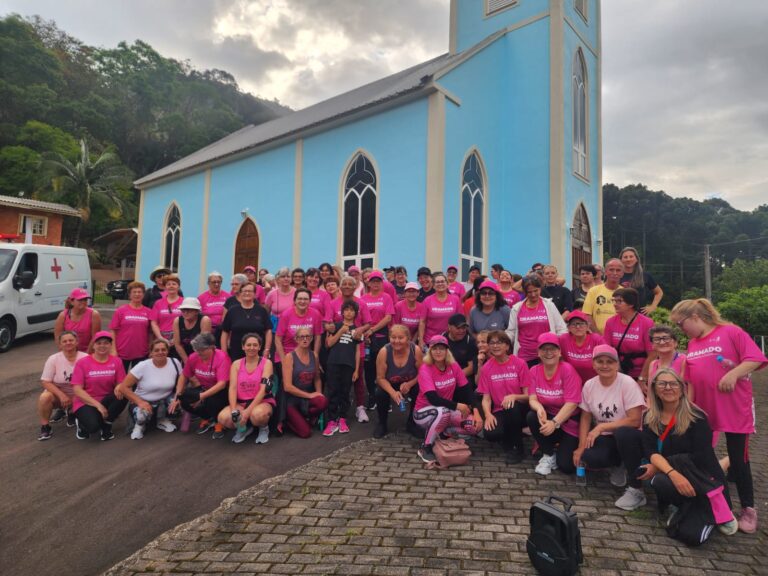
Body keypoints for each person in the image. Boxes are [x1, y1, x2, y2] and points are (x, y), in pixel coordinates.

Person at [670, 298, 767, 533]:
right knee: (703, 454)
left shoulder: (731, 331)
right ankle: (714, 499)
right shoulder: (693, 343)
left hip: (735, 408)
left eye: (681, 324)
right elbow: (691, 378)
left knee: (740, 458)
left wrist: (733, 374)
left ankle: (748, 509)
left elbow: (756, 359)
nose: (680, 330)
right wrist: (688, 406)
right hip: (704, 409)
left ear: (695, 317)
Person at [640, 368, 738, 541]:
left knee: (692, 536)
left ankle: (710, 508)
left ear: (682, 387)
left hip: (700, 473)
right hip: (674, 471)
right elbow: (651, 451)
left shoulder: (697, 417)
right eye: (662, 383)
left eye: (673, 383)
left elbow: (700, 456)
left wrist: (659, 466)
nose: (668, 387)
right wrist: (673, 473)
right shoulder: (649, 417)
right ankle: (686, 505)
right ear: (654, 388)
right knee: (657, 481)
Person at [573, 345, 646, 511]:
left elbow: (635, 420)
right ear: (593, 364)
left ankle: (637, 489)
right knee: (589, 456)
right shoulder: (589, 385)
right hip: (607, 435)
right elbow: (585, 417)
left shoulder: (627, 383)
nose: (604, 365)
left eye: (609, 362)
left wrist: (602, 426)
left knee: (623, 434)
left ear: (617, 364)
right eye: (600, 361)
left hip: (632, 435)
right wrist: (580, 446)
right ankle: (618, 464)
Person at [412, 335, 474, 463]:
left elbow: (466, 388)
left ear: (447, 351)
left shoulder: (454, 365)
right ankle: (426, 446)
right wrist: (458, 406)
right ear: (430, 351)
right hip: (423, 413)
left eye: (442, 348)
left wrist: (475, 411)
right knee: (443, 411)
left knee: (473, 426)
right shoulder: (425, 369)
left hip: (446, 410)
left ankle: (445, 433)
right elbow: (434, 399)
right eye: (435, 349)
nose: (438, 352)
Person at [527, 333, 582, 475]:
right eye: (544, 349)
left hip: (569, 421)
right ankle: (548, 454)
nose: (548, 353)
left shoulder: (567, 370)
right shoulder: (534, 370)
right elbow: (532, 398)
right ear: (538, 353)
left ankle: (562, 449)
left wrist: (554, 422)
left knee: (567, 466)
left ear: (559, 352)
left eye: (552, 349)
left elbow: (572, 403)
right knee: (532, 416)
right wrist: (539, 408)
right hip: (549, 416)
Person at [478, 331, 531, 464]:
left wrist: (514, 396)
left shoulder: (520, 363)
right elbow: (486, 398)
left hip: (520, 408)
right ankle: (515, 433)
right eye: (492, 343)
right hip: (500, 410)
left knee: (510, 406)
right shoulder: (486, 368)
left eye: (499, 342)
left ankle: (518, 448)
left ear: (507, 346)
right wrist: (488, 414)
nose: (495, 346)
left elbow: (529, 396)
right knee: (491, 434)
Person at [116, 339, 181, 440]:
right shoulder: (142, 366)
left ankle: (162, 420)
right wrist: (140, 402)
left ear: (168, 351)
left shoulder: (175, 362)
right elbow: (123, 387)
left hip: (164, 399)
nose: (160, 352)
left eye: (163, 349)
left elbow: (182, 380)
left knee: (178, 403)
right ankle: (139, 425)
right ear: (151, 353)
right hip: (144, 399)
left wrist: (178, 397)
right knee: (142, 415)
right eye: (156, 350)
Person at [170, 333, 231, 439]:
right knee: (183, 398)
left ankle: (219, 421)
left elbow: (222, 384)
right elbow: (184, 376)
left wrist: (201, 397)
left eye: (202, 350)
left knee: (212, 400)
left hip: (223, 391)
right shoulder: (193, 357)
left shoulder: (222, 357)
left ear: (212, 347)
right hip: (204, 388)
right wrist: (177, 396)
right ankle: (207, 417)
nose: (199, 352)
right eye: (197, 349)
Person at [217, 333, 274, 445]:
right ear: (243, 347)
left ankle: (263, 428)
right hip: (241, 402)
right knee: (223, 418)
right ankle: (243, 428)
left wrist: (247, 412)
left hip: (262, 401)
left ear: (259, 347)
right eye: (248, 345)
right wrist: (234, 411)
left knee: (257, 415)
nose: (251, 348)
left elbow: (264, 390)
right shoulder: (236, 364)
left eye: (255, 345)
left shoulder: (267, 363)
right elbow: (232, 388)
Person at [71, 331, 127, 441]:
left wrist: (119, 386)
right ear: (93, 345)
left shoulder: (117, 361)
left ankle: (107, 423)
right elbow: (77, 389)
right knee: (93, 428)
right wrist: (98, 406)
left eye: (106, 343)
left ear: (111, 345)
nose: (102, 346)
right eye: (99, 343)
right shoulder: (82, 362)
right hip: (85, 401)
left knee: (124, 393)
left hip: (106, 399)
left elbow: (122, 382)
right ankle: (81, 423)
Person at [330, 276, 372, 423]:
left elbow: (368, 323)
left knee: (358, 378)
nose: (347, 286)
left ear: (355, 287)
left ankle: (360, 407)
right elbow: (328, 323)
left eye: (350, 284)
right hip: (338, 348)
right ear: (340, 287)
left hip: (356, 348)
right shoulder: (333, 303)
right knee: (338, 382)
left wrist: (360, 329)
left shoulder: (361, 303)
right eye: (344, 284)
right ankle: (336, 411)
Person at [373, 324, 423, 438]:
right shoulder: (384, 352)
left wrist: (410, 384)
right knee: (379, 392)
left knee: (420, 389)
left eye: (401, 338)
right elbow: (380, 378)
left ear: (408, 339)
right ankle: (382, 423)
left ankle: (412, 423)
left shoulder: (415, 350)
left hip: (410, 382)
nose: (396, 341)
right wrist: (393, 393)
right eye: (393, 337)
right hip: (389, 382)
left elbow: (422, 374)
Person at [506, 275, 567, 367]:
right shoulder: (517, 308)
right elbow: (511, 331)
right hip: (524, 356)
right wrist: (500, 341)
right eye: (529, 292)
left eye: (535, 291)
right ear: (524, 292)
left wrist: (555, 346)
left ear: (540, 289)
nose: (533, 294)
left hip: (547, 355)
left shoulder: (549, 305)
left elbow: (561, 328)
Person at [37, 331, 87, 440]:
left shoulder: (85, 357)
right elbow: (45, 381)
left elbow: (91, 381)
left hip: (80, 394)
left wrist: (77, 397)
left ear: (77, 342)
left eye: (71, 340)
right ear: (60, 344)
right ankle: (45, 426)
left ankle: (72, 412)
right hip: (59, 395)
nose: (68, 343)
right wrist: (61, 395)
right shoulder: (53, 359)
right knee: (44, 397)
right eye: (64, 341)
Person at [281, 326, 328, 438]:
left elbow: (317, 378)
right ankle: (288, 421)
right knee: (306, 433)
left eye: (307, 336)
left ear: (311, 338)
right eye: (301, 337)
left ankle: (307, 417)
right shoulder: (289, 357)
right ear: (296, 339)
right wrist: (310, 395)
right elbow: (287, 387)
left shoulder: (314, 355)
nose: (305, 339)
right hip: (292, 400)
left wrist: (318, 393)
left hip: (307, 398)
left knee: (323, 401)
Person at [324, 301, 362, 437]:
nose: (349, 312)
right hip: (333, 363)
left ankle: (342, 418)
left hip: (348, 365)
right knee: (333, 391)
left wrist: (357, 370)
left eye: (352, 310)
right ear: (342, 312)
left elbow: (358, 351)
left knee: (345, 392)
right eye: (346, 310)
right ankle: (332, 420)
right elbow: (329, 344)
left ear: (356, 313)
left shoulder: (357, 330)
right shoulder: (336, 326)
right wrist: (340, 331)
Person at [603, 287, 654, 388]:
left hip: (640, 373)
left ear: (631, 304)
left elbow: (652, 354)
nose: (615, 304)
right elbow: (607, 350)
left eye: (619, 301)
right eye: (614, 300)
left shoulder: (646, 323)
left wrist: (642, 378)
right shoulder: (610, 322)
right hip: (618, 372)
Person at [361, 271, 395, 410]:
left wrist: (373, 329)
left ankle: (386, 397)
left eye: (378, 281)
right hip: (367, 338)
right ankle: (372, 396)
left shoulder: (386, 297)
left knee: (385, 368)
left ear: (382, 283)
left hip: (381, 337)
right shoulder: (363, 298)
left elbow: (388, 317)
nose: (375, 284)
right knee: (369, 370)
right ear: (368, 283)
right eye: (373, 281)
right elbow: (361, 318)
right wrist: (366, 333)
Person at [220, 282, 273, 362]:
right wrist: (224, 352)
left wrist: (266, 350)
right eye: (244, 291)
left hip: (258, 352)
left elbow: (268, 331)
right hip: (236, 353)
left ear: (255, 294)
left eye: (250, 291)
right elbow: (225, 332)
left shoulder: (261, 311)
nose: (247, 293)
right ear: (240, 293)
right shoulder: (232, 311)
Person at [109, 281, 152, 372]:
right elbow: (113, 331)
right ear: (129, 295)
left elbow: (150, 333)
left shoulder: (148, 312)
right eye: (134, 292)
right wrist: (113, 350)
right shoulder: (121, 310)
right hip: (122, 352)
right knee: (120, 381)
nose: (137, 294)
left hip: (141, 353)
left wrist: (150, 349)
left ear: (143, 294)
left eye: (139, 292)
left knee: (137, 382)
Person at [276, 288, 323, 364]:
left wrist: (315, 356)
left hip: (306, 354)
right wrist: (283, 360)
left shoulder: (315, 314)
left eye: (306, 299)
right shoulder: (286, 314)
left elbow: (318, 337)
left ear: (310, 301)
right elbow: (278, 339)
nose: (302, 301)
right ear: (294, 301)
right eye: (300, 299)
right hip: (287, 353)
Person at [558, 310, 606, 383]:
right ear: (568, 328)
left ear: (587, 326)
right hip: (572, 381)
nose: (578, 327)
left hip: (595, 381)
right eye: (573, 324)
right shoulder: (563, 339)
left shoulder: (596, 340)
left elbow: (607, 360)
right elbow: (560, 360)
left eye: (581, 323)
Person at [582, 258, 623, 334]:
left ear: (622, 273)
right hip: (597, 338)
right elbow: (587, 315)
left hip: (619, 337)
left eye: (618, 270)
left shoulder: (625, 293)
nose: (615, 273)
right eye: (611, 270)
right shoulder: (593, 291)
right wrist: (598, 335)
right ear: (606, 272)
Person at [420, 272, 462, 347]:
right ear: (433, 285)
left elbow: (460, 320)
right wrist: (420, 340)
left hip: (451, 339)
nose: (440, 284)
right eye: (437, 282)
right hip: (431, 340)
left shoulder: (455, 299)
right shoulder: (427, 300)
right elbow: (422, 321)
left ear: (447, 284)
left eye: (442, 281)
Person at [54, 288, 101, 352]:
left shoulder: (94, 315)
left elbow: (95, 338)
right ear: (72, 301)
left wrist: (86, 356)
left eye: (85, 299)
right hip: (68, 352)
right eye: (80, 300)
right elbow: (58, 337)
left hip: (88, 353)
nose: (84, 302)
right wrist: (65, 354)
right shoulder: (63, 315)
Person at [619, 246, 663, 314]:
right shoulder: (616, 276)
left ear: (636, 259)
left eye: (631, 256)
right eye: (625, 257)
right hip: (619, 315)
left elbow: (659, 292)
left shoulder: (645, 276)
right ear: (621, 260)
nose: (628, 259)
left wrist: (653, 307)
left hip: (639, 315)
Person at [173, 297, 212, 363]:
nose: (185, 313)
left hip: (201, 354)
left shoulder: (204, 320)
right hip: (183, 354)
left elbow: (203, 344)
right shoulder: (177, 321)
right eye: (183, 310)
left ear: (196, 311)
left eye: (189, 310)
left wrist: (194, 362)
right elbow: (177, 344)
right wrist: (187, 361)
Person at [150, 273, 183, 344]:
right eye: (168, 284)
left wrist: (176, 338)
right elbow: (154, 322)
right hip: (162, 339)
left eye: (174, 284)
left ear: (178, 287)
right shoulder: (158, 303)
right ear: (165, 287)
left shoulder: (184, 302)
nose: (171, 286)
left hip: (179, 338)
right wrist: (160, 338)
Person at [444, 314, 477, 384]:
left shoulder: (470, 341)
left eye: (464, 328)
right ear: (449, 327)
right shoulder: (442, 339)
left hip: (463, 375)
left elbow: (471, 368)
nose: (461, 331)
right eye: (458, 328)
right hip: (444, 374)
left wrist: (451, 379)